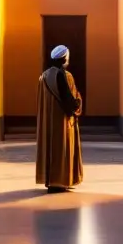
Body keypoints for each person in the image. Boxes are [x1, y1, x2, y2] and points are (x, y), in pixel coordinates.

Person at [35, 44, 83, 192]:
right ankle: (60, 181)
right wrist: (78, 103)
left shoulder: (44, 75)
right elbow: (68, 100)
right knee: (61, 148)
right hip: (61, 120)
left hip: (48, 119)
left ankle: (51, 180)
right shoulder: (63, 75)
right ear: (64, 58)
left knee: (51, 147)